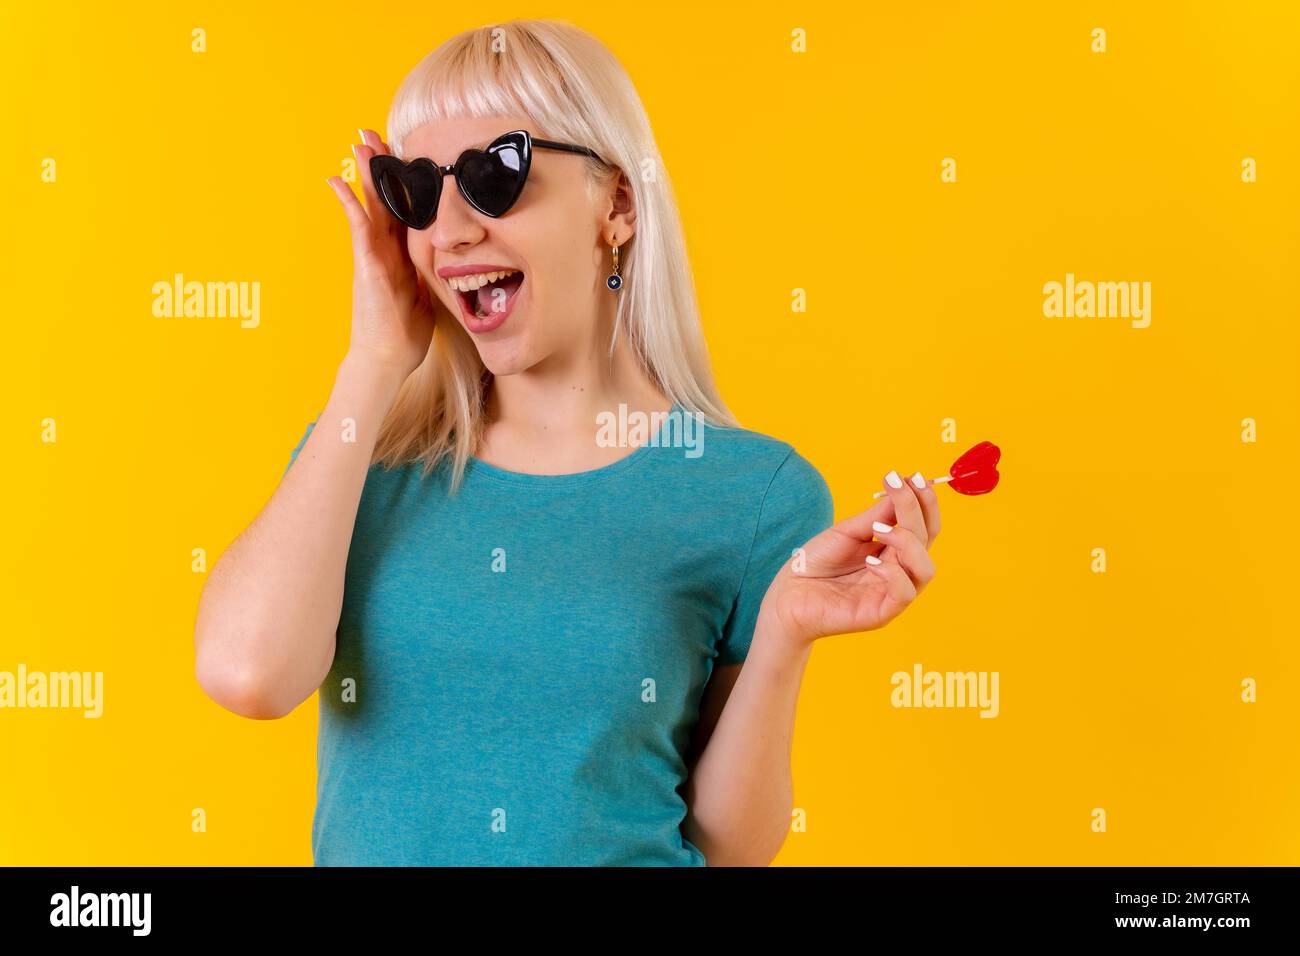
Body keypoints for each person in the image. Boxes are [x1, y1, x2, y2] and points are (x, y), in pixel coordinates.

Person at [193, 18, 940, 866]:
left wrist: (783, 636)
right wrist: (373, 362)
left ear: (616, 205)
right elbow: (247, 676)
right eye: (418, 192)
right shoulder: (360, 455)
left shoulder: (753, 493)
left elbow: (727, 850)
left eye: (493, 176)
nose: (452, 233)